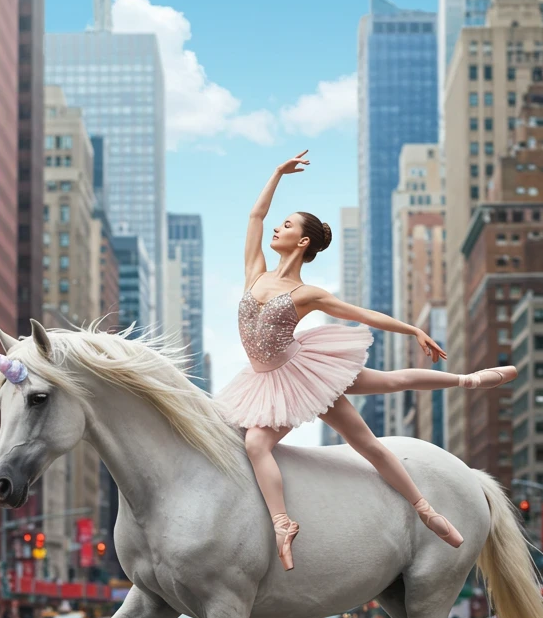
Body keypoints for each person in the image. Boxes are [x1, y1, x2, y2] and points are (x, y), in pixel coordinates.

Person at [216, 151, 517, 571]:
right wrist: (277, 174)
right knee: (267, 443)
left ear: (302, 242)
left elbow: (363, 315)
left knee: (380, 407)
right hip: (270, 379)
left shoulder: (308, 293)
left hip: (302, 370)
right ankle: (285, 523)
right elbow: (254, 216)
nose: (275, 227)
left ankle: (430, 491)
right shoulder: (256, 273)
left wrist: (412, 329)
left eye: (286, 225)